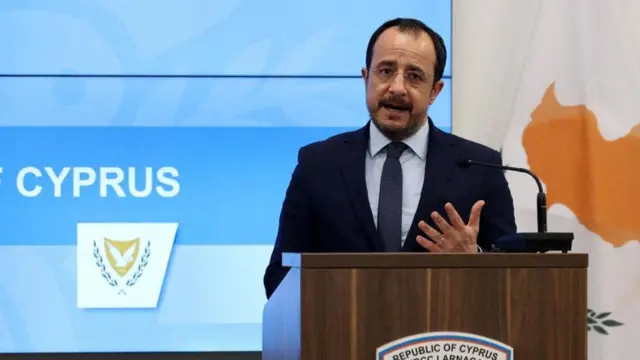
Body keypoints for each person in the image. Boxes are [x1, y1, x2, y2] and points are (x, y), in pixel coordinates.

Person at [263, 18, 516, 299]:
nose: (397, 88)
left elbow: (515, 284)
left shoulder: (481, 167)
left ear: (435, 91)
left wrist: (475, 260)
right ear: (365, 78)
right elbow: (279, 276)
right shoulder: (318, 164)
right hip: (342, 336)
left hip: (443, 339)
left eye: (414, 76)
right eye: (385, 71)